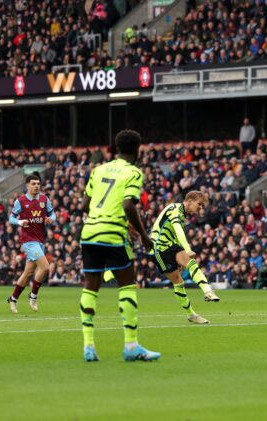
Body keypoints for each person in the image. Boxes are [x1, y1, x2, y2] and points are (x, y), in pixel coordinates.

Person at [79, 129, 160, 362]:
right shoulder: (133, 173)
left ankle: (88, 347)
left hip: (90, 232)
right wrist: (144, 235)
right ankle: (131, 346)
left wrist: (100, 214)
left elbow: (84, 204)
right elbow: (128, 205)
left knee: (90, 286)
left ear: (116, 148)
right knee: (127, 286)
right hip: (113, 234)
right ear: (137, 150)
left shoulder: (98, 170)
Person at [149, 190, 219, 324]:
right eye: (199, 204)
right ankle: (191, 314)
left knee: (192, 264)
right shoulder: (174, 209)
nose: (200, 207)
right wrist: (187, 249)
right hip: (159, 249)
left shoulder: (182, 214)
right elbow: (179, 231)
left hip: (172, 245)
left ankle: (208, 291)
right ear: (190, 201)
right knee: (178, 282)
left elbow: (174, 234)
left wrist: (180, 256)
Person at [7, 173, 56, 313]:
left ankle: (13, 298)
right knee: (46, 268)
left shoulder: (44, 199)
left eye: (38, 184)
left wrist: (50, 219)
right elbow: (11, 218)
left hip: (40, 240)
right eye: (33, 184)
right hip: (28, 241)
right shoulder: (20, 201)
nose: (36, 186)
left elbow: (53, 214)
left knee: (28, 273)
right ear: (27, 185)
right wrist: (19, 222)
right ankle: (33, 296)